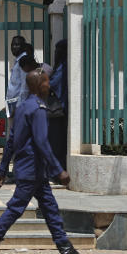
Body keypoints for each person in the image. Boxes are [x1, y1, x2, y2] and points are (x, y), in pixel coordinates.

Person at [0, 69, 90, 254]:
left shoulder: (22, 107)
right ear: (37, 85)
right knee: (15, 208)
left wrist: (2, 170)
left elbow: (11, 141)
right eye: (45, 82)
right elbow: (42, 142)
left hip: (32, 170)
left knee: (50, 209)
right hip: (32, 169)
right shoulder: (38, 109)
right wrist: (58, 170)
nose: (49, 85)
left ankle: (66, 250)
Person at [48, 40, 69, 169]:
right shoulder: (64, 65)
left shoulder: (62, 66)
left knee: (56, 142)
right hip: (61, 108)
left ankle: (57, 171)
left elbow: (52, 84)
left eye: (58, 50)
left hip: (58, 109)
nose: (55, 52)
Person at [5, 35, 28, 117]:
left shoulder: (23, 60)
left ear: (23, 47)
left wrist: (19, 106)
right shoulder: (18, 60)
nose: (14, 47)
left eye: (17, 45)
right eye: (12, 45)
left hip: (18, 104)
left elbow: (25, 85)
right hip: (13, 103)